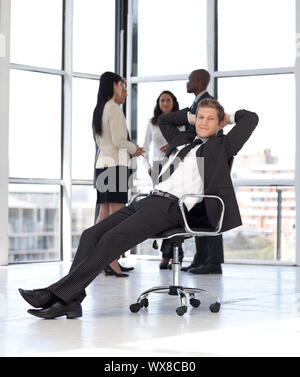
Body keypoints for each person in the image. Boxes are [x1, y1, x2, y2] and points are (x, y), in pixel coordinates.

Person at [18, 99, 259, 319]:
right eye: (201, 117)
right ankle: (71, 301)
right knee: (90, 235)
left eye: (210, 119)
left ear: (219, 124)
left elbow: (251, 118)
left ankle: (55, 294)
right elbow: (164, 120)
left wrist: (227, 116)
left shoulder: (221, 146)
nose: (204, 122)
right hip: (148, 200)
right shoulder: (182, 141)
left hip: (172, 208)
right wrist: (193, 117)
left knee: (111, 240)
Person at [92, 72, 144, 277]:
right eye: (120, 84)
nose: (122, 87)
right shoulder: (113, 108)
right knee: (117, 216)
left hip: (103, 164)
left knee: (104, 214)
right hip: (114, 165)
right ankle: (109, 260)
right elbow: (119, 141)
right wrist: (135, 149)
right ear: (112, 85)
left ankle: (98, 259)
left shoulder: (101, 108)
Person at [181, 69, 225, 274]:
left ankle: (213, 262)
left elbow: (214, 133)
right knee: (199, 210)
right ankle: (201, 258)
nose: (187, 82)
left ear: (198, 82)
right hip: (197, 163)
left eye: (190, 79)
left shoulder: (208, 104)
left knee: (210, 211)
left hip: (206, 163)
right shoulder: (197, 103)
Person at [142, 90, 181, 269]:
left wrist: (175, 146)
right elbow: (144, 148)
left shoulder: (180, 121)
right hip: (158, 169)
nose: (164, 103)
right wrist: (148, 168)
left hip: (177, 166)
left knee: (176, 209)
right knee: (161, 211)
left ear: (174, 102)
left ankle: (175, 254)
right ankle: (165, 254)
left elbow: (186, 144)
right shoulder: (152, 123)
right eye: (162, 100)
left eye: (168, 100)